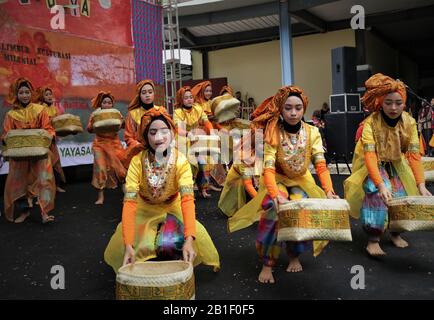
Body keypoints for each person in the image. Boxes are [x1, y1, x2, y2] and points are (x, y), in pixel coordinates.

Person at [228, 86, 339, 284]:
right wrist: (275, 194)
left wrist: (329, 190)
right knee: (273, 207)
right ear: (281, 109)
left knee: (299, 205)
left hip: (301, 179)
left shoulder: (313, 132)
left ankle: (294, 254)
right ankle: (267, 263)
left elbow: (321, 166)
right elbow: (268, 168)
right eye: (288, 108)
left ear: (304, 108)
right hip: (276, 179)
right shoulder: (273, 132)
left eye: (298, 108)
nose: (293, 113)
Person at [104, 107, 220, 272]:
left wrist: (189, 240)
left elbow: (187, 200)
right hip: (144, 208)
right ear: (145, 136)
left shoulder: (180, 161)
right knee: (133, 246)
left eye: (164, 131)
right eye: (152, 132)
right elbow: (129, 203)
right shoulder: (137, 162)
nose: (159, 138)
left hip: (173, 206)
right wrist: (128, 244)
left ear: (172, 133)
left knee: (173, 243)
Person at [345, 74, 432, 257]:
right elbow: (370, 156)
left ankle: (395, 232)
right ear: (381, 103)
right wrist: (380, 183)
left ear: (404, 103)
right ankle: (373, 240)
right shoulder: (371, 123)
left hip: (396, 162)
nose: (393, 108)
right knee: (377, 193)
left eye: (398, 103)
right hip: (373, 164)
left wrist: (421, 184)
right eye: (388, 103)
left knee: (400, 195)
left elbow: (414, 156)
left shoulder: (409, 122)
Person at [1, 78, 56, 224]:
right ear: (16, 94)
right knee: (18, 184)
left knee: (44, 181)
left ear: (31, 94)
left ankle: (45, 213)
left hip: (39, 154)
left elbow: (48, 129)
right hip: (20, 157)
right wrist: (7, 141)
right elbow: (6, 134)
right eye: (21, 92)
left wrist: (47, 136)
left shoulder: (40, 110)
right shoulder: (11, 115)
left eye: (27, 92)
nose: (24, 95)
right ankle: (24, 212)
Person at [173, 86, 214, 198]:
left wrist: (212, 131)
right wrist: (187, 134)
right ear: (181, 99)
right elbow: (177, 128)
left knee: (202, 164)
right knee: (188, 166)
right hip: (182, 141)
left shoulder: (198, 108)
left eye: (191, 97)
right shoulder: (177, 112)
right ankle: (186, 192)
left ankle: (203, 189)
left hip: (196, 140)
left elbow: (206, 121)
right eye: (186, 98)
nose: (189, 99)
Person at [87, 92, 126, 205]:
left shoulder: (116, 113)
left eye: (109, 103)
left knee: (120, 169)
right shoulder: (95, 114)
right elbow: (89, 129)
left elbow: (123, 125)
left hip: (114, 143)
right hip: (99, 144)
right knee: (100, 169)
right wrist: (95, 125)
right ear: (101, 104)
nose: (107, 104)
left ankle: (127, 195)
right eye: (105, 102)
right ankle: (100, 196)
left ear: (112, 104)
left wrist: (121, 123)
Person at [34, 86, 66, 193]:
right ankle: (42, 190)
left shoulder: (54, 108)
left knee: (55, 163)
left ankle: (56, 186)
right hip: (43, 142)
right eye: (46, 94)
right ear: (42, 97)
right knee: (44, 166)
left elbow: (57, 122)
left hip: (52, 140)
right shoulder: (39, 108)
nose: (49, 96)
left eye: (50, 94)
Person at [124, 80, 162, 167]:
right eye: (144, 92)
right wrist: (139, 146)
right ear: (139, 95)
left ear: (154, 94)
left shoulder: (160, 111)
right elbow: (128, 137)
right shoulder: (133, 114)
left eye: (150, 92)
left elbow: (167, 132)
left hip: (158, 150)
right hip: (139, 153)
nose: (147, 95)